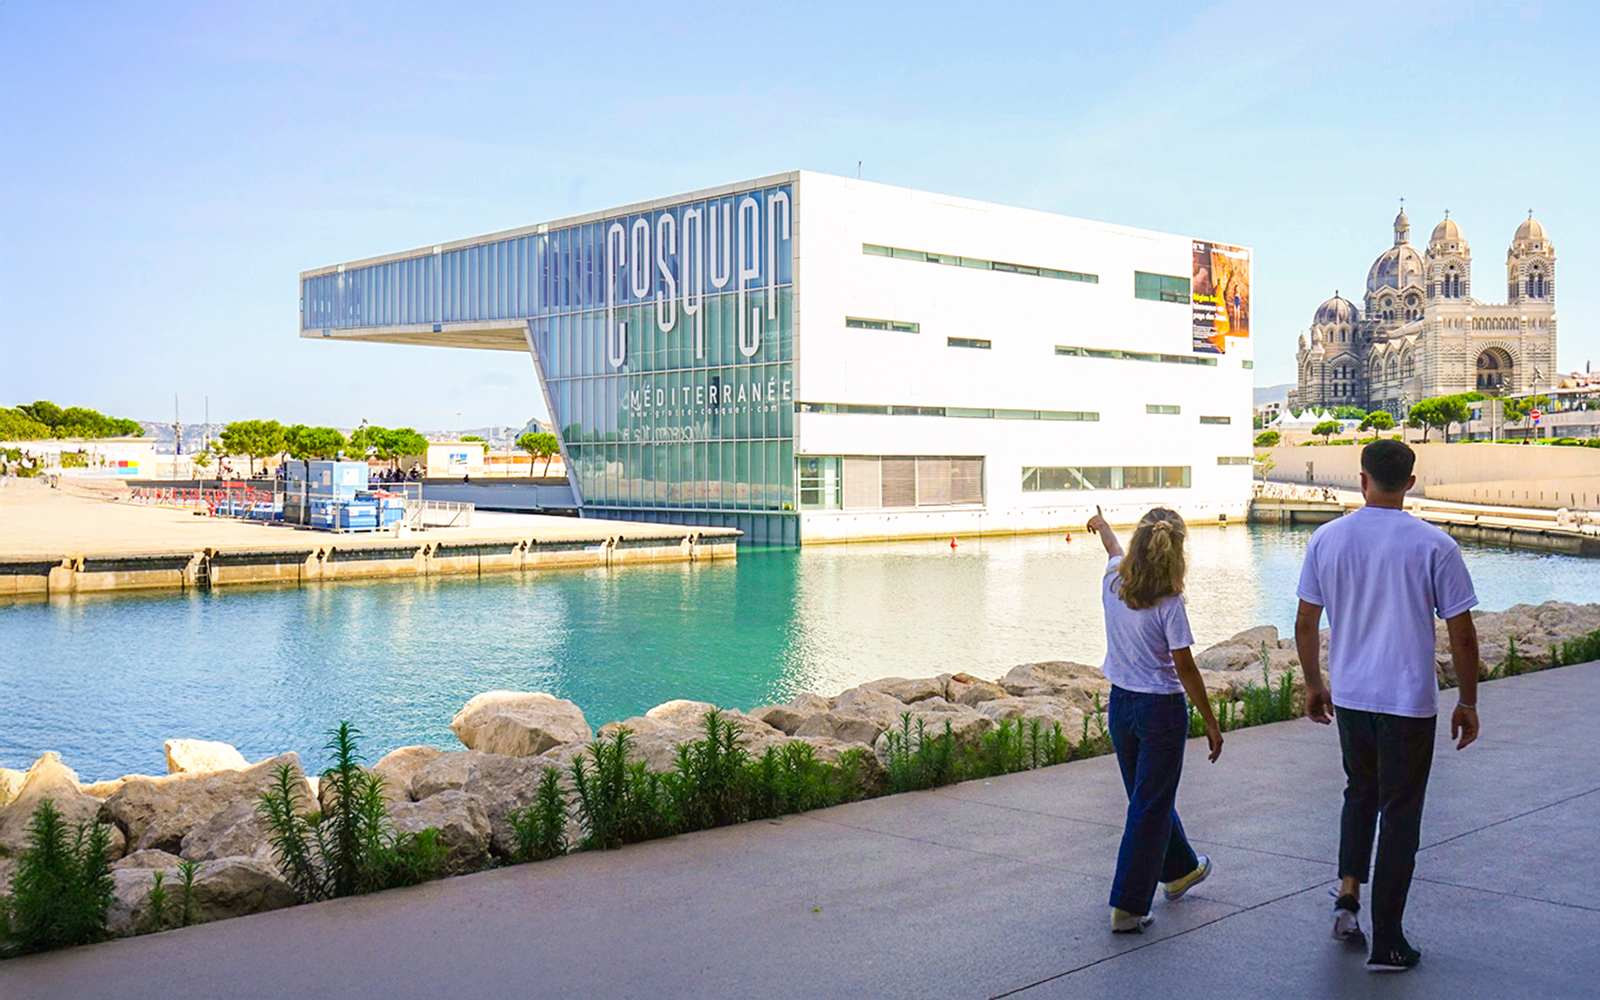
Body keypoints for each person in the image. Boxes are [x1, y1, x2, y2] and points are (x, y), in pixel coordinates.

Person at [1295, 438, 1480, 973]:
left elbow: (1307, 622)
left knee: (1360, 792)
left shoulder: (1327, 539)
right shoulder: (1435, 545)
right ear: (1411, 482)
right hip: (1407, 700)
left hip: (1351, 696)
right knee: (1400, 814)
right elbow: (1462, 633)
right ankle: (1389, 941)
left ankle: (1347, 900)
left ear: (1362, 479)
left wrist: (1314, 684)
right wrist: (1467, 700)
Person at [1087, 505, 1224, 933]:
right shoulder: (1170, 602)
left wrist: (1103, 525)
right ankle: (1128, 907)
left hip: (1121, 706)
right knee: (1148, 806)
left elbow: (1111, 549)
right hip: (1160, 712)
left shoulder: (1113, 579)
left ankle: (1180, 869)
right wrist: (1211, 721)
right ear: (1175, 552)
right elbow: (1185, 669)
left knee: (1147, 799)